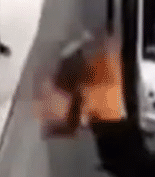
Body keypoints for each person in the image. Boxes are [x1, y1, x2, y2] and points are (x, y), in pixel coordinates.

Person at [39, 27, 136, 175]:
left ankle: (112, 162)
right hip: (113, 113)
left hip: (104, 114)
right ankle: (114, 162)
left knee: (108, 140)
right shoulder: (106, 58)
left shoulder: (89, 64)